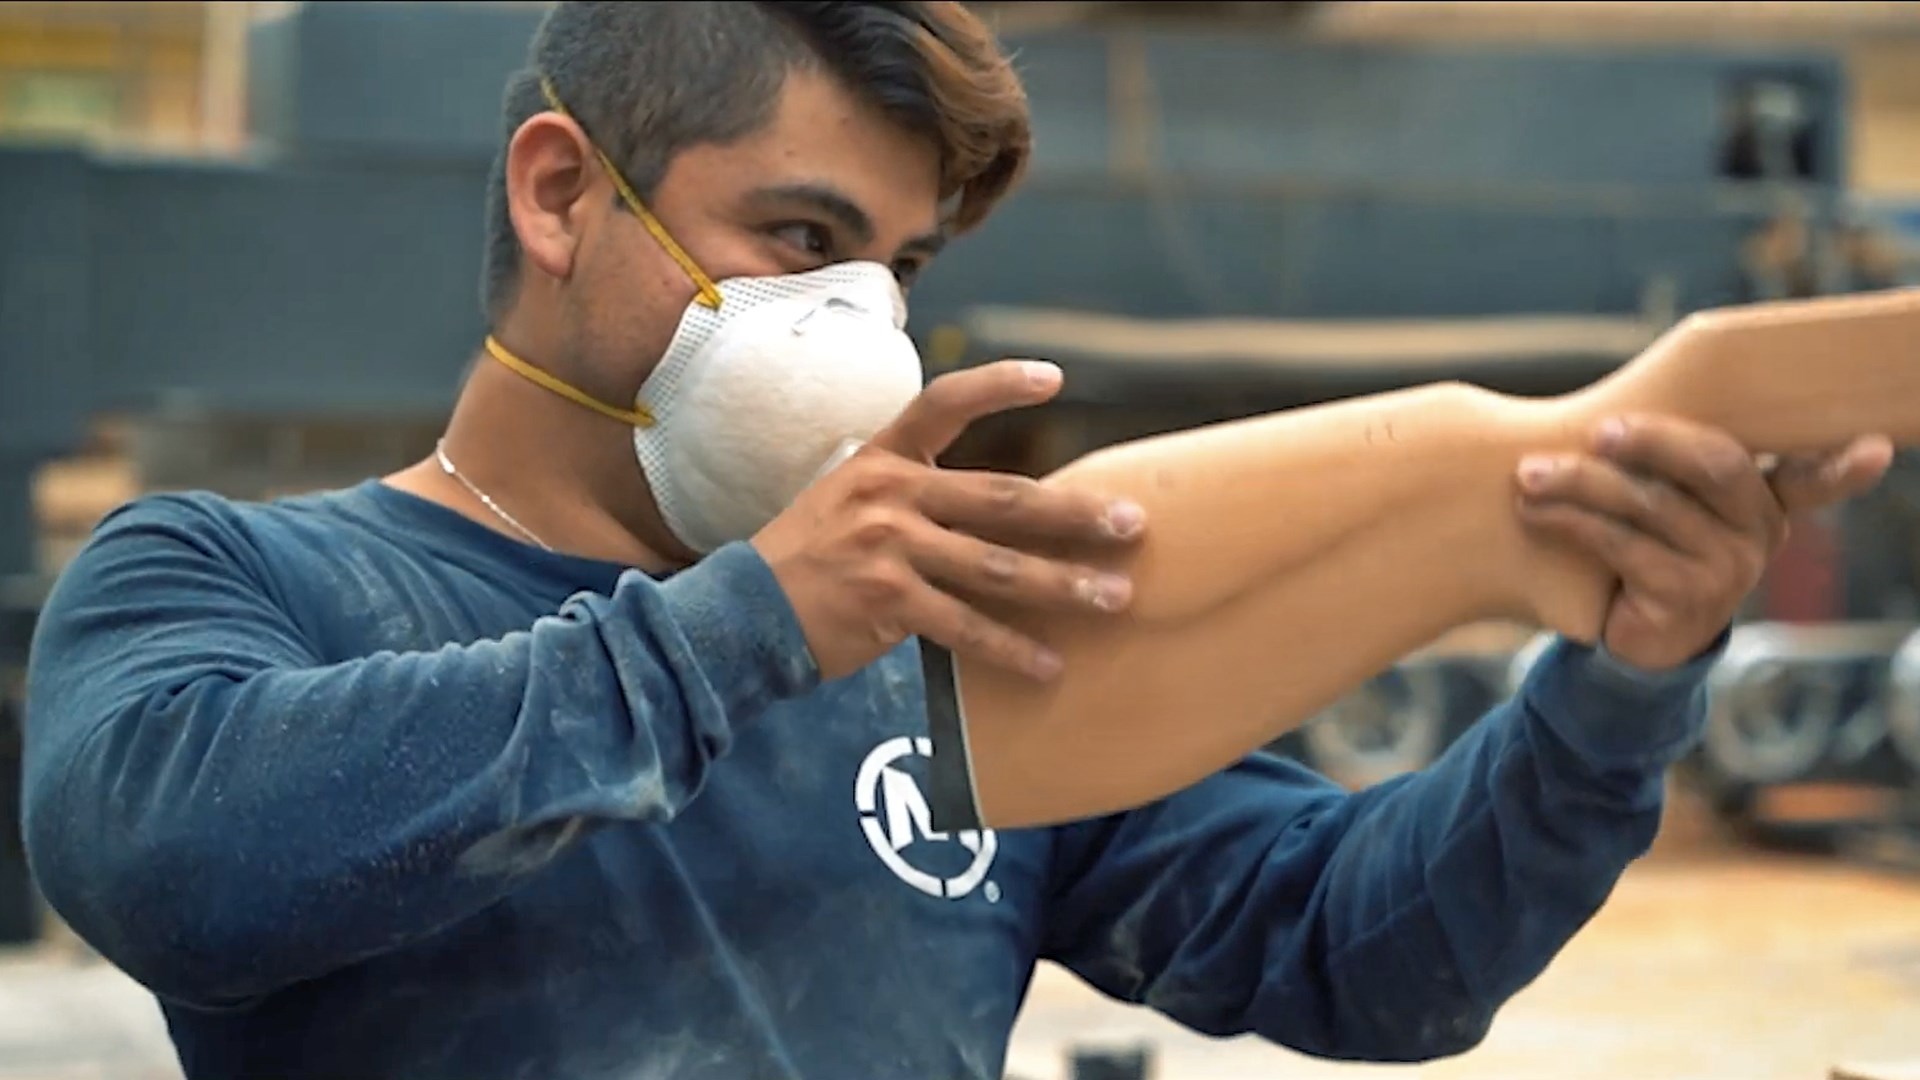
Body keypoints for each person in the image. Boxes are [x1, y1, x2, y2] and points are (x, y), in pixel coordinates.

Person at [18, 3, 1892, 1078]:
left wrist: (1622, 682)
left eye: (902, 271)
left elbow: (1364, 960)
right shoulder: (230, 583)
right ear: (566, 192)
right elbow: (173, 863)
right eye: (803, 242)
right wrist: (737, 635)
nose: (866, 326)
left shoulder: (948, 651)